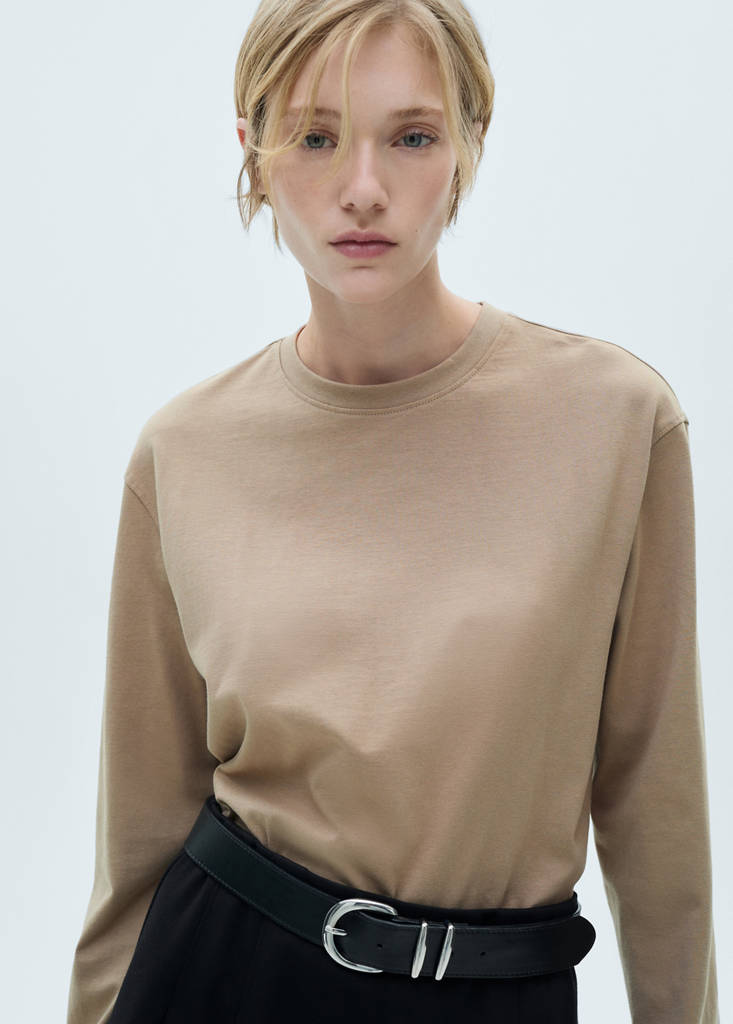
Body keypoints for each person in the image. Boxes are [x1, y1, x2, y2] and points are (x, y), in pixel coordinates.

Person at [66, 1, 719, 1022]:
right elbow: (137, 840)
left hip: (499, 989)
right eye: (314, 137)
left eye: (410, 137)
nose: (362, 187)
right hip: (223, 973)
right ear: (252, 152)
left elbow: (654, 808)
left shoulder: (616, 423)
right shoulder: (184, 452)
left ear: (467, 146)